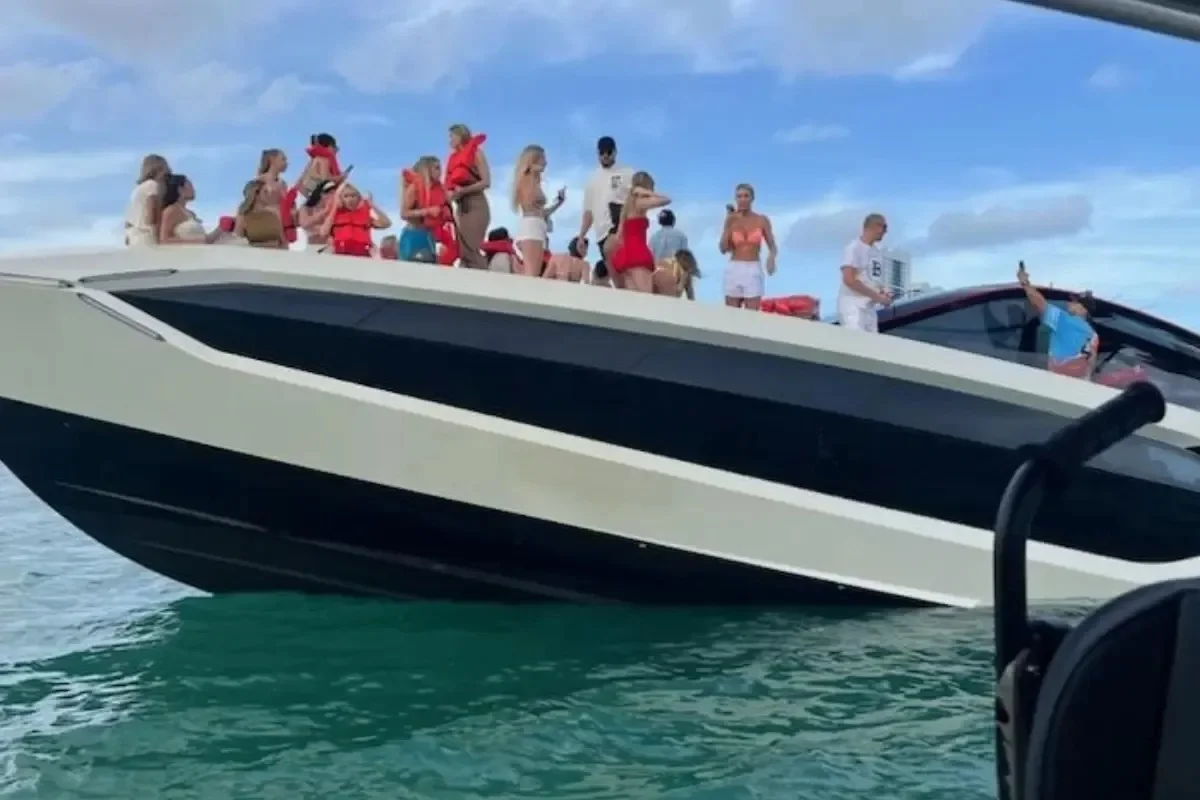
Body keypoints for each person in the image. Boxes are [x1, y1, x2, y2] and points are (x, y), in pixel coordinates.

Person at [1017, 262, 1100, 378]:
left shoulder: (1065, 321)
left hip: (1058, 379)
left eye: (1074, 302)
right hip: (1077, 383)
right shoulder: (1093, 336)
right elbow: (1090, 364)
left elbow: (1039, 303)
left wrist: (1025, 283)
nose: (1069, 304)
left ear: (1083, 309)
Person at [606, 171, 671, 292]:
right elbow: (666, 200)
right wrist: (648, 193)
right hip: (638, 255)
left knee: (633, 299)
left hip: (626, 256)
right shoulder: (640, 202)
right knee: (646, 298)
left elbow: (619, 235)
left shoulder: (626, 206)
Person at [718, 183, 777, 310]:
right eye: (739, 196)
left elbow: (772, 245)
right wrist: (728, 225)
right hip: (734, 268)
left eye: (746, 196)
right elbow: (723, 249)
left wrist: (771, 258)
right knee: (731, 314)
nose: (742, 199)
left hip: (753, 268)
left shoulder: (762, 220)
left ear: (752, 198)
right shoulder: (731, 220)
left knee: (752, 315)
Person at [511, 144, 566, 276]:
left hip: (536, 227)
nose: (546, 162)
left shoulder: (533, 181)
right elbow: (530, 208)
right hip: (532, 228)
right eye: (543, 158)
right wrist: (534, 169)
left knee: (533, 272)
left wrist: (559, 203)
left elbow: (541, 212)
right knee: (532, 274)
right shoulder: (527, 179)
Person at [445, 123, 491, 269]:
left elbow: (486, 181)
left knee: (471, 248)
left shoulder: (476, 153)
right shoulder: (452, 158)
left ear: (460, 136)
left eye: (452, 136)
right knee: (462, 251)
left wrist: (464, 191)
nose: (449, 140)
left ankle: (484, 277)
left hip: (476, 204)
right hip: (460, 207)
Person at [837, 213, 892, 332]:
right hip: (853, 306)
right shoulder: (854, 248)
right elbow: (849, 279)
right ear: (873, 226)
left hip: (869, 308)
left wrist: (884, 293)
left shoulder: (877, 252)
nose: (885, 231)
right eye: (883, 227)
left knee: (871, 342)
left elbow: (874, 280)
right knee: (857, 340)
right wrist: (877, 297)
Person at [578, 135, 634, 253]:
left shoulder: (628, 173)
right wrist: (582, 235)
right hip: (601, 234)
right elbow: (588, 211)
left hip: (622, 228)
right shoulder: (592, 179)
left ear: (615, 152)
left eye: (609, 152)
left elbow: (638, 199)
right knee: (611, 264)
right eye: (602, 152)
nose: (605, 155)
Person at [320, 182, 392, 257]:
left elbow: (387, 223)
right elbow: (323, 232)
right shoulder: (335, 215)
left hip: (362, 255)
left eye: (353, 196)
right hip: (340, 255)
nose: (350, 199)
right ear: (341, 199)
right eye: (346, 196)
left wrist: (372, 205)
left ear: (359, 197)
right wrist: (335, 207)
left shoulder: (365, 217)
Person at [400, 155, 450, 263]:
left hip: (429, 236)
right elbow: (403, 213)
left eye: (440, 168)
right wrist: (428, 211)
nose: (440, 172)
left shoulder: (440, 190)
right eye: (436, 168)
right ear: (427, 170)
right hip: (413, 234)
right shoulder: (415, 188)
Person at [157, 174, 224, 244]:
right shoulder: (171, 211)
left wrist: (220, 229)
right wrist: (202, 240)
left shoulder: (191, 214)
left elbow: (206, 239)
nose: (194, 190)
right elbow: (164, 240)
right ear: (180, 189)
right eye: (190, 186)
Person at [125, 154, 170, 246]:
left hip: (133, 235)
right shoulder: (152, 185)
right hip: (144, 235)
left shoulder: (139, 188)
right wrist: (158, 238)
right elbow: (152, 214)